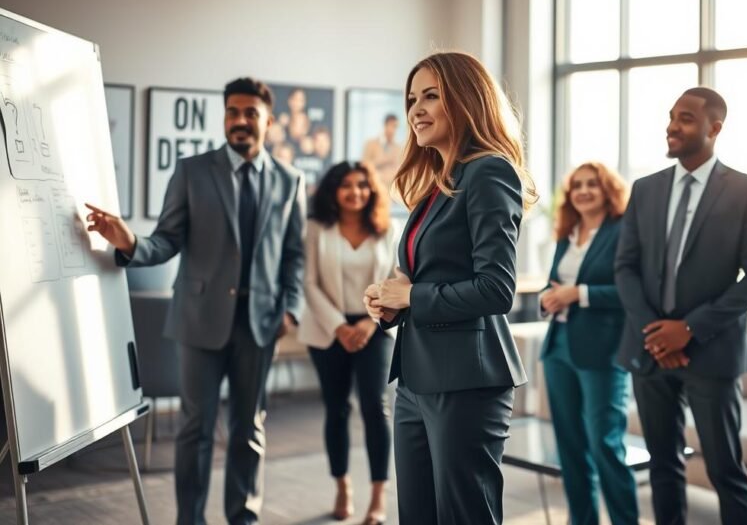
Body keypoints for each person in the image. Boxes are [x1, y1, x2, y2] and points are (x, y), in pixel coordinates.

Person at [85, 77, 305, 525]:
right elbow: (166, 241)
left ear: (268, 120)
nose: (239, 121)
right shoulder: (192, 171)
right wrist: (130, 242)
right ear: (224, 116)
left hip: (260, 323)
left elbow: (295, 255)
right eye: (232, 112)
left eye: (250, 113)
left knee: (248, 430)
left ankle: (243, 517)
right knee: (194, 430)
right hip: (199, 320)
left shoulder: (290, 179)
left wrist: (291, 306)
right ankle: (190, 520)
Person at [363, 51, 538, 525]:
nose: (416, 109)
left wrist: (411, 297)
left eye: (431, 96)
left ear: (465, 100)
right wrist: (392, 299)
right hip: (416, 379)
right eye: (412, 98)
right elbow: (425, 276)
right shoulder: (437, 184)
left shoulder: (489, 171)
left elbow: (497, 289)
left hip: (467, 382)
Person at [615, 86, 747, 525]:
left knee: (726, 470)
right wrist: (655, 332)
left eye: (685, 118)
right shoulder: (645, 190)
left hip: (712, 352)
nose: (672, 126)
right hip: (650, 352)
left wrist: (687, 329)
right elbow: (624, 268)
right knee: (663, 467)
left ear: (714, 127)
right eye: (671, 116)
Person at [539, 162, 637, 525]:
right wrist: (548, 298)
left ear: (607, 189)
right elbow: (554, 284)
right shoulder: (568, 232)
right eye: (576, 185)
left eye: (591, 185)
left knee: (605, 445)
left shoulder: (623, 230)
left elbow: (631, 290)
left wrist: (576, 294)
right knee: (570, 448)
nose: (582, 191)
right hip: (558, 349)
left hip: (603, 351)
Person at [298, 161, 396, 524]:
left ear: (371, 191)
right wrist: (340, 327)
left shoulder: (387, 229)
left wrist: (369, 325)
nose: (355, 192)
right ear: (333, 192)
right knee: (336, 408)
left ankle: (378, 495)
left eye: (362, 186)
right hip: (328, 329)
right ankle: (342, 485)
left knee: (375, 406)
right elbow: (308, 283)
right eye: (346, 186)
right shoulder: (315, 229)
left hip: (376, 328)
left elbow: (394, 279)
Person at [361, 114, 402, 192]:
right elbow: (364, 166)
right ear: (385, 125)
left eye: (396, 127)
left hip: (391, 191)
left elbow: (397, 171)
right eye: (392, 126)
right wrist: (382, 160)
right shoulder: (370, 144)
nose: (394, 130)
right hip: (373, 188)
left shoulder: (398, 148)